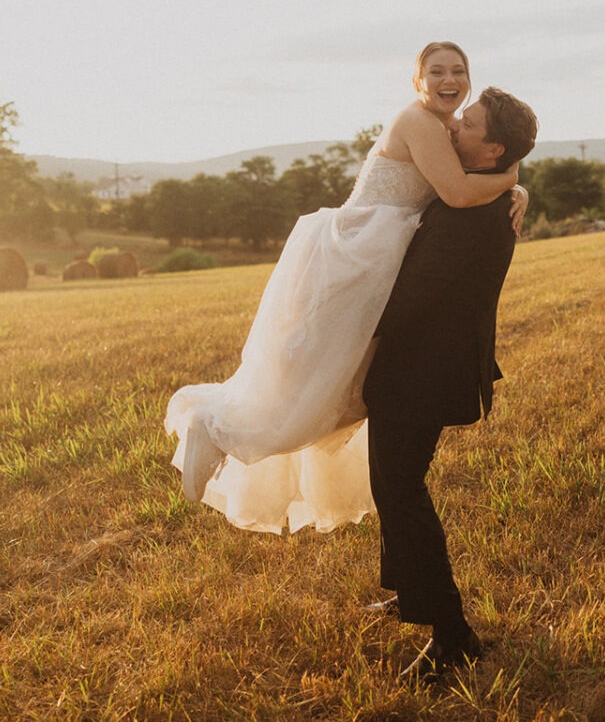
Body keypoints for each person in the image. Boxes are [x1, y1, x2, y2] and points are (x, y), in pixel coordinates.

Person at [164, 42, 526, 534]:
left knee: (337, 390)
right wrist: (511, 180)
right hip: (355, 255)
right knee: (310, 379)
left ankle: (230, 435)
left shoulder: (449, 130)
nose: (449, 79)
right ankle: (215, 426)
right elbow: (461, 192)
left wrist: (514, 182)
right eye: (436, 70)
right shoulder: (420, 121)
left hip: (381, 258)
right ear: (417, 80)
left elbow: (475, 170)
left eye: (458, 70)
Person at [361, 86, 538, 685]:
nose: (452, 127)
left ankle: (453, 634)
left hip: (421, 373)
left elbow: (408, 298)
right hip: (429, 368)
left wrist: (340, 330)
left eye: (467, 123)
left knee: (401, 488)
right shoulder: (484, 195)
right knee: (393, 484)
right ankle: (410, 589)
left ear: (491, 149)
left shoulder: (474, 215)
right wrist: (516, 180)